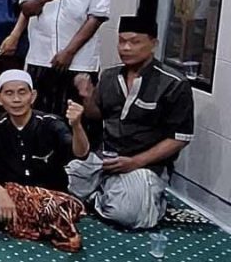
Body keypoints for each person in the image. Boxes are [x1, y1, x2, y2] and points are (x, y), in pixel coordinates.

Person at [67, 16, 194, 230]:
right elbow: (97, 115)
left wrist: (135, 162)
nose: (125, 48)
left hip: (145, 166)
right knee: (60, 182)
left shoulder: (173, 83)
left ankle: (147, 202)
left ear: (153, 43)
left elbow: (179, 138)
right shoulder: (109, 76)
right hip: (105, 158)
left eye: (134, 42)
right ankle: (109, 190)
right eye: (122, 41)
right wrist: (87, 96)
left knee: (129, 215)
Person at [0, 70, 89, 251]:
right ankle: (32, 223)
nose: (16, 99)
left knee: (54, 208)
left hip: (48, 196)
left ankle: (23, 221)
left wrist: (76, 125)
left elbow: (81, 153)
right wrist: (1, 193)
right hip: (10, 194)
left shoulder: (51, 123)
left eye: (22, 92)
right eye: (9, 93)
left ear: (33, 96)